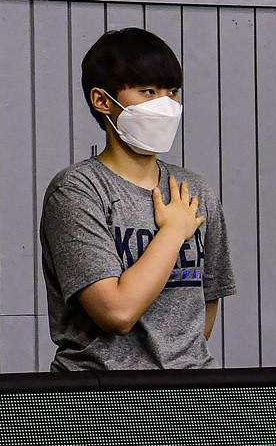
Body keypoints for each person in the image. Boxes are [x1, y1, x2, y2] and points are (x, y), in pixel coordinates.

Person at [39, 27, 236, 371]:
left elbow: (205, 305)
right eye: (148, 91)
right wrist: (172, 232)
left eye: (172, 92)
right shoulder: (77, 191)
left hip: (191, 392)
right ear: (102, 101)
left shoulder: (194, 190)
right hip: (101, 393)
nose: (166, 105)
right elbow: (116, 312)